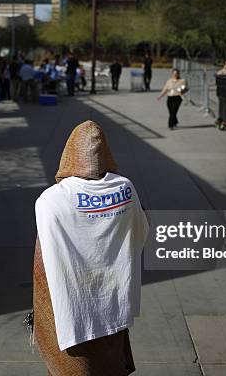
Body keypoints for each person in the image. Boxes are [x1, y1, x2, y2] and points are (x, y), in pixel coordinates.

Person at [33, 120, 148, 375]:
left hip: (72, 310)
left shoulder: (50, 200)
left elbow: (45, 254)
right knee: (109, 363)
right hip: (113, 301)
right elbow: (141, 232)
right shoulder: (126, 189)